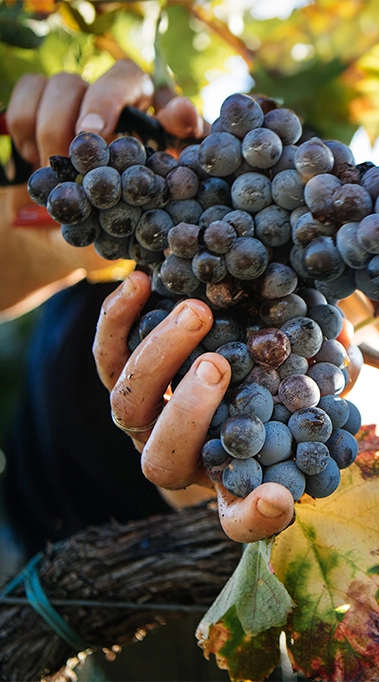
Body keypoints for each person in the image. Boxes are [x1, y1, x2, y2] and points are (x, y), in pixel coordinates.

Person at [0, 58, 294, 576]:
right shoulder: (135, 259)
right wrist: (35, 245)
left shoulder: (286, 322)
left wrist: (206, 489)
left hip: (159, 605)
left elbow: (264, 482)